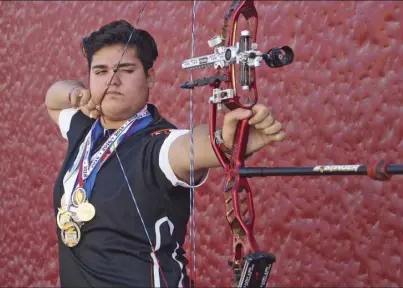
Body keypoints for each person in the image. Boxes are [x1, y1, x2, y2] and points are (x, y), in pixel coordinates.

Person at [44, 20, 285, 287]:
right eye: (100, 71)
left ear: (149, 78)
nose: (113, 80)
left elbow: (190, 148)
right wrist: (77, 94)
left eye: (126, 69)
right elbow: (53, 98)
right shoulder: (84, 128)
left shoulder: (158, 144)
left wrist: (227, 141)